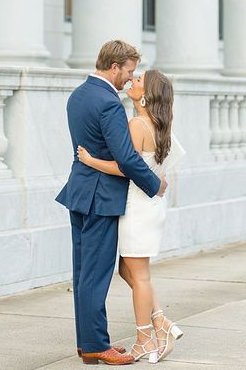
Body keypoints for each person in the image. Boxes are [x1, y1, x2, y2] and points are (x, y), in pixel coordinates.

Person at [55, 40, 168, 366]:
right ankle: (94, 346)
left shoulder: (78, 95)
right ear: (114, 66)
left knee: (82, 272)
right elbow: (127, 157)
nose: (129, 79)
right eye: (129, 72)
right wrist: (154, 184)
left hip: (78, 192)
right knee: (96, 274)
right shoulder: (108, 103)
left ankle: (88, 342)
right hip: (101, 198)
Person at [77, 69, 185, 364]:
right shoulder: (161, 127)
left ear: (146, 97)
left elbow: (126, 167)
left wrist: (91, 161)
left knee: (138, 276)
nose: (133, 80)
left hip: (137, 208)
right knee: (129, 271)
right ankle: (161, 321)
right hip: (149, 208)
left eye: (138, 81)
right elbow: (163, 164)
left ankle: (144, 339)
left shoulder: (137, 124)